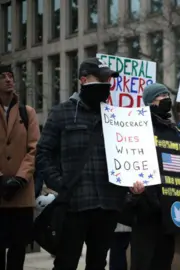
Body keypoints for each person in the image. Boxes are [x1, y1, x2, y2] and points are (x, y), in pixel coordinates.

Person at [36, 57, 144, 269]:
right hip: (74, 205)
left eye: (108, 80)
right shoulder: (62, 112)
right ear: (84, 80)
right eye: (101, 79)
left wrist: (133, 183)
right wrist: (60, 183)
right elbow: (43, 153)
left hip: (108, 203)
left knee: (97, 264)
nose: (107, 85)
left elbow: (127, 156)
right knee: (66, 262)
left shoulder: (116, 116)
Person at [129, 83, 180, 270]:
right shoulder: (139, 129)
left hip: (169, 210)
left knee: (163, 261)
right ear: (151, 102)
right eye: (161, 96)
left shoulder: (173, 130)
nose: (167, 98)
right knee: (143, 262)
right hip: (145, 209)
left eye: (167, 94)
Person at [0, 65, 40, 270]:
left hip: (21, 195)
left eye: (11, 76)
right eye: (3, 76)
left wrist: (20, 178)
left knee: (18, 252)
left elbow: (34, 149)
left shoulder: (27, 112)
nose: (8, 80)